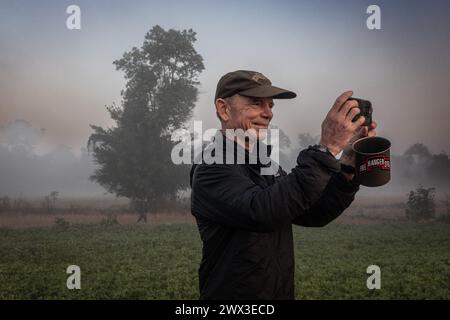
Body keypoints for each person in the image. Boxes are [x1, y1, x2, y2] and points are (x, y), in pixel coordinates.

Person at [190, 70, 377, 299]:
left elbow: (311, 213)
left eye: (270, 105)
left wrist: (347, 166)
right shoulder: (212, 168)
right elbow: (262, 212)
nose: (268, 113)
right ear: (223, 109)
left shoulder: (264, 164)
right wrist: (326, 149)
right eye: (256, 103)